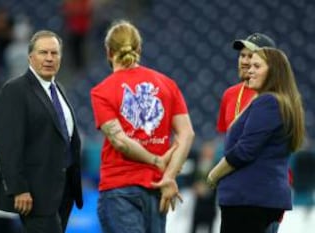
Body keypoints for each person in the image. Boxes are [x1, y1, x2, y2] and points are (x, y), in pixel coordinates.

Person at [90, 20, 195, 233]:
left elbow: (119, 141)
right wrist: (168, 176)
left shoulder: (102, 91)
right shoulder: (167, 84)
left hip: (119, 190)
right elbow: (187, 134)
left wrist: (157, 162)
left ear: (108, 52)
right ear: (139, 49)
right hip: (157, 190)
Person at [0, 30, 83, 233]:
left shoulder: (59, 90)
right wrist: (18, 188)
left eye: (54, 53)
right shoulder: (15, 90)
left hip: (63, 189)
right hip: (35, 192)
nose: (49, 58)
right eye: (43, 53)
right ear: (30, 57)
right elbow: (8, 145)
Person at [207, 47, 305, 233]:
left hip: (248, 199)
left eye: (257, 66)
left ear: (273, 72)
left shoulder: (267, 102)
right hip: (259, 199)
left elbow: (244, 150)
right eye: (249, 65)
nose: (249, 70)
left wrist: (214, 175)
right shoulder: (280, 101)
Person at [217, 32, 276, 133]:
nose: (244, 61)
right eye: (242, 55)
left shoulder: (279, 95)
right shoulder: (229, 94)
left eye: (250, 56)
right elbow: (225, 135)